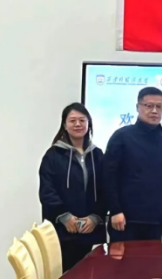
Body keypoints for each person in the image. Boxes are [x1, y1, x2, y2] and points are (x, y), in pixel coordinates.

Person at [103, 87, 162, 242]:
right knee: (122, 259)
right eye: (149, 106)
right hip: (124, 220)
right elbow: (108, 177)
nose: (154, 111)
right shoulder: (122, 137)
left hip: (155, 220)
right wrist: (115, 210)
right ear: (138, 107)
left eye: (159, 106)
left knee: (152, 258)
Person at [39, 103, 105, 272]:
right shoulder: (53, 155)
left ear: (89, 124)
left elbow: (106, 189)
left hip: (92, 230)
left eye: (82, 120)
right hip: (62, 231)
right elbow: (47, 191)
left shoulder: (98, 155)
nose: (77, 124)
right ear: (64, 125)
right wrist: (65, 217)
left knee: (92, 273)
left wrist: (95, 217)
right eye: (72, 120)